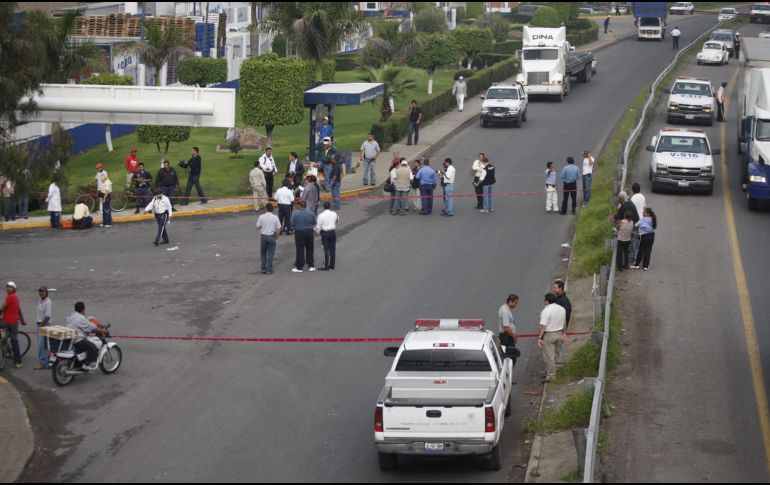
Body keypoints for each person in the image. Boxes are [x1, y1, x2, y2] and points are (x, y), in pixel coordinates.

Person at [65, 302, 107, 371]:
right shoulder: (81, 318)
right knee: (93, 347)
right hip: (77, 340)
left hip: (69, 338)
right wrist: (103, 331)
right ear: (83, 309)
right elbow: (93, 327)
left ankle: (80, 362)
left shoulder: (72, 315)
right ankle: (87, 365)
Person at [538, 293, 566, 382]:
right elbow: (564, 322)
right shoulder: (562, 309)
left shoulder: (546, 311)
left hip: (549, 335)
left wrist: (540, 338)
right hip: (559, 333)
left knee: (549, 356)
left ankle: (551, 375)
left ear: (547, 301)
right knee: (559, 353)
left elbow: (543, 326)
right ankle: (559, 371)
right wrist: (564, 332)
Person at [0, 282, 27, 369]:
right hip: (14, 323)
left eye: (10, 287)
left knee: (12, 340)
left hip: (5, 323)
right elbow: (19, 311)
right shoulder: (16, 298)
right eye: (7, 287)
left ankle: (3, 343)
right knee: (14, 340)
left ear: (14, 289)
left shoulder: (9, 296)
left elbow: (2, 308)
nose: (8, 289)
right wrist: (22, 321)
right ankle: (18, 362)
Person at [290, 200, 317, 273]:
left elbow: (291, 223)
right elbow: (315, 222)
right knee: (310, 249)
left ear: (300, 206)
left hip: (299, 232)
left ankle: (299, 267)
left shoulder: (295, 214)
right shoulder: (311, 213)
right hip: (309, 232)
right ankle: (311, 266)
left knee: (300, 249)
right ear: (305, 205)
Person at [257, 204, 282, 274]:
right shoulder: (275, 217)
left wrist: (263, 225)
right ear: (272, 209)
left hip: (264, 236)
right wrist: (276, 237)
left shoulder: (261, 216)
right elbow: (279, 228)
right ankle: (269, 269)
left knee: (263, 253)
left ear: (266, 209)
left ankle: (263, 268)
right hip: (272, 236)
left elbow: (257, 226)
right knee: (271, 254)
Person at [552, 280, 572, 367]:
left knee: (559, 346)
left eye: (555, 288)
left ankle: (560, 364)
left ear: (561, 288)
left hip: (560, 329)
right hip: (557, 328)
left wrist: (563, 331)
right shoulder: (558, 299)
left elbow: (565, 316)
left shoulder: (564, 301)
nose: (553, 289)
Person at [316, 201, 339, 270]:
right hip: (332, 232)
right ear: (330, 207)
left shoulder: (321, 215)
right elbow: (337, 220)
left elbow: (318, 226)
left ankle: (326, 265)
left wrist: (318, 232)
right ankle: (332, 265)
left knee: (326, 249)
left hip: (325, 233)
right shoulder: (334, 213)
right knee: (332, 249)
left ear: (323, 207)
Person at [35, 286, 52, 370]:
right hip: (40, 324)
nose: (41, 293)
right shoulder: (40, 300)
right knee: (43, 344)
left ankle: (43, 363)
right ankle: (47, 359)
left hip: (44, 325)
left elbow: (47, 316)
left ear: (46, 292)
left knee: (43, 346)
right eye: (40, 291)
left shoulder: (48, 302)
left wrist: (41, 325)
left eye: (43, 292)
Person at [630, 183, 646, 262]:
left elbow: (632, 210)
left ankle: (635, 255)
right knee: (640, 237)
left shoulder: (633, 198)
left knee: (634, 238)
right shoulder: (642, 197)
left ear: (633, 190)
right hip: (642, 220)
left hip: (635, 220)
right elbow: (644, 208)